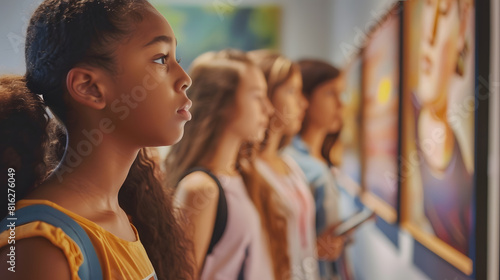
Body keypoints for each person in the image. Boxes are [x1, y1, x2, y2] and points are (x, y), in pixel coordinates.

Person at [0, 1, 195, 279]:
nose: (185, 78)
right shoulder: (43, 245)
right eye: (161, 59)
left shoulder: (121, 217)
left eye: (177, 58)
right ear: (89, 87)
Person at [165, 49, 289, 280]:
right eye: (257, 96)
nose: (268, 109)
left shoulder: (240, 176)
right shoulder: (201, 188)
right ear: (222, 103)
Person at [409, 0, 475, 255]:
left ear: (463, 28)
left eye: (444, 11)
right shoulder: (401, 119)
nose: (430, 34)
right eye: (427, 8)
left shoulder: (466, 181)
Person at [284, 60, 347, 280]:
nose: (341, 104)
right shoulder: (295, 164)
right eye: (331, 94)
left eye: (342, 94)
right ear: (305, 98)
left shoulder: (324, 161)